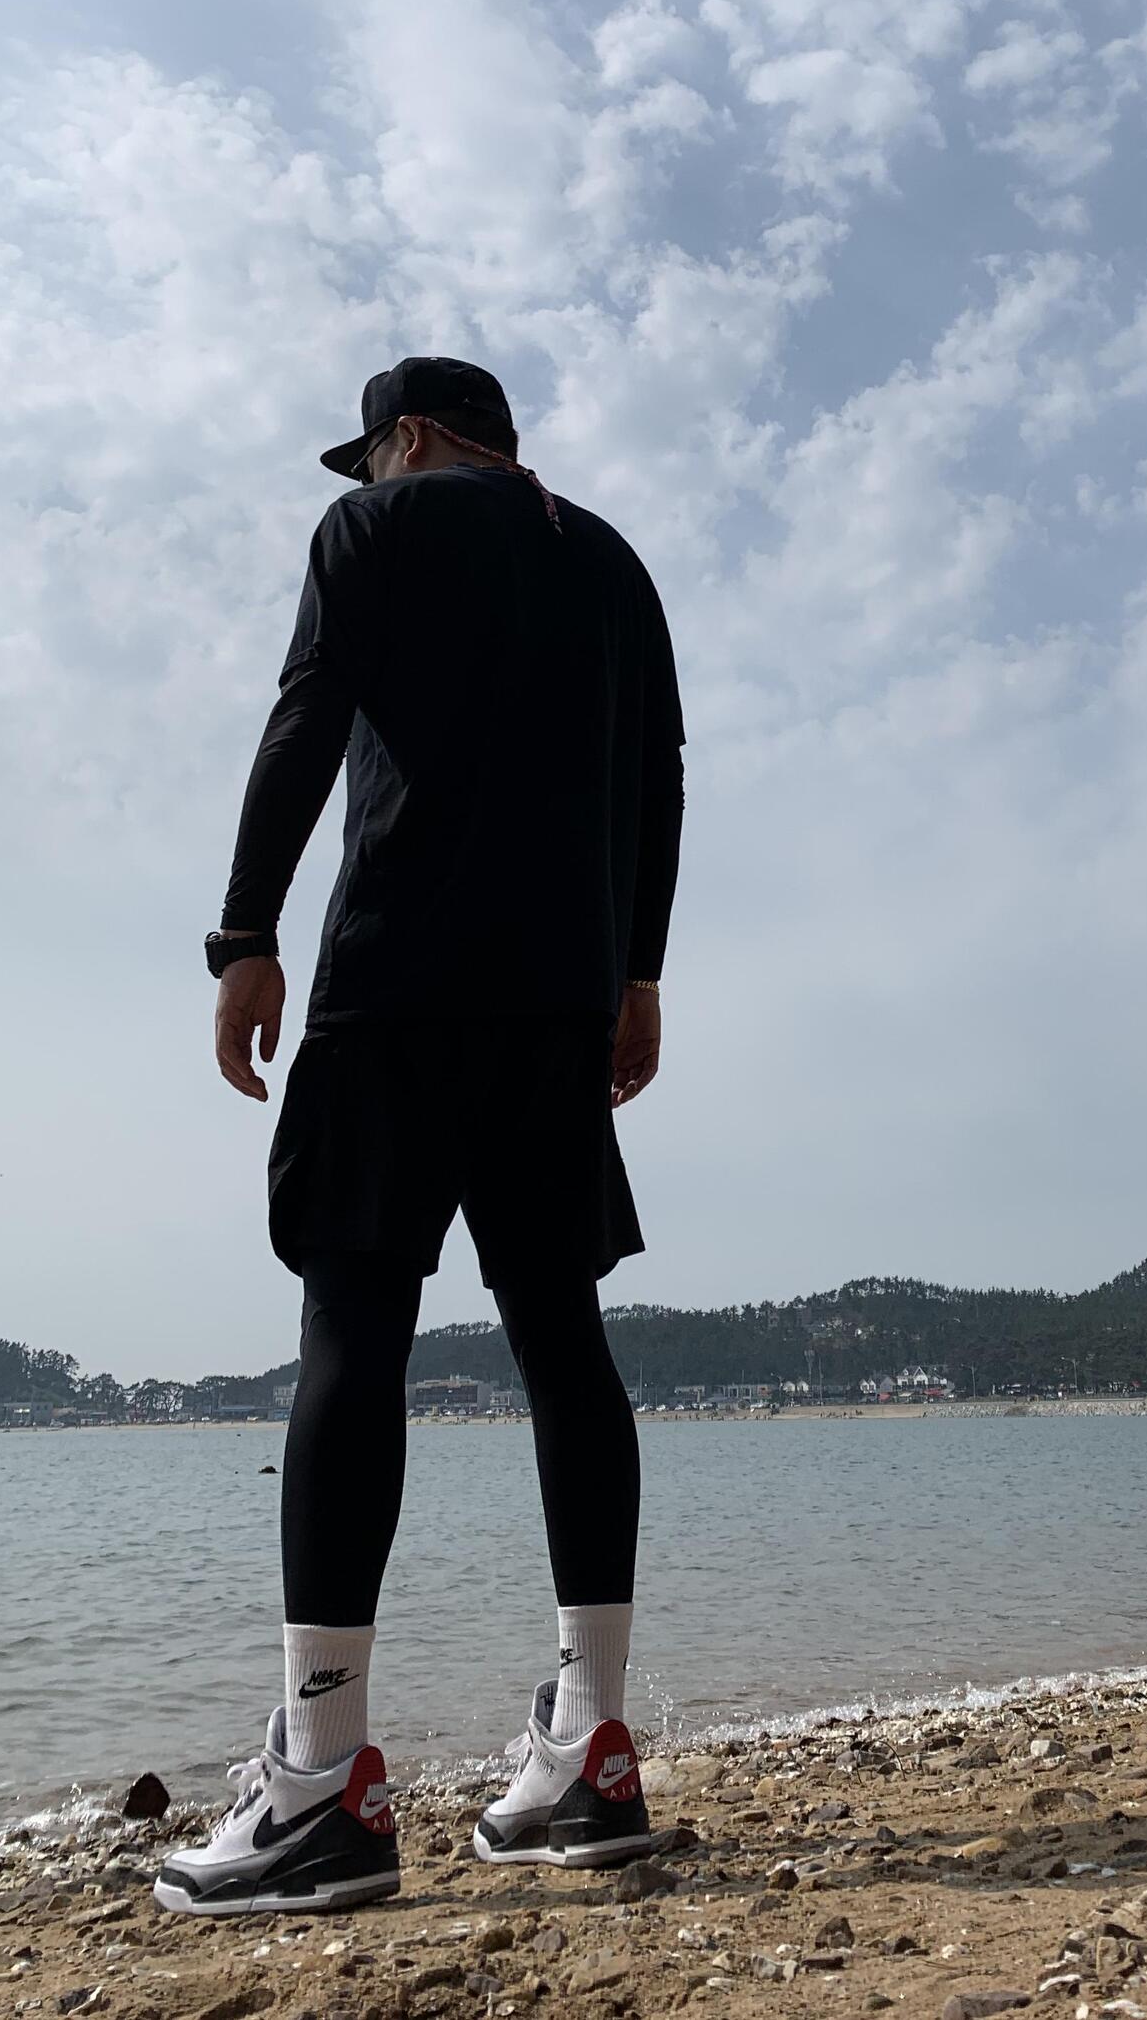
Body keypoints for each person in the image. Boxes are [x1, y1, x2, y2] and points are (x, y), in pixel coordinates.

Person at [154, 356, 683, 1918]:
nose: (368, 479)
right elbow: (654, 777)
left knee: (355, 1333)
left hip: (395, 989)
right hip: (558, 1007)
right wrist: (637, 972)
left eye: (371, 456)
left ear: (407, 436)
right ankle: (590, 1751)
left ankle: (319, 1781)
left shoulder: (375, 532)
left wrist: (245, 931)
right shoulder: (612, 561)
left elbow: (308, 712)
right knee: (564, 1344)